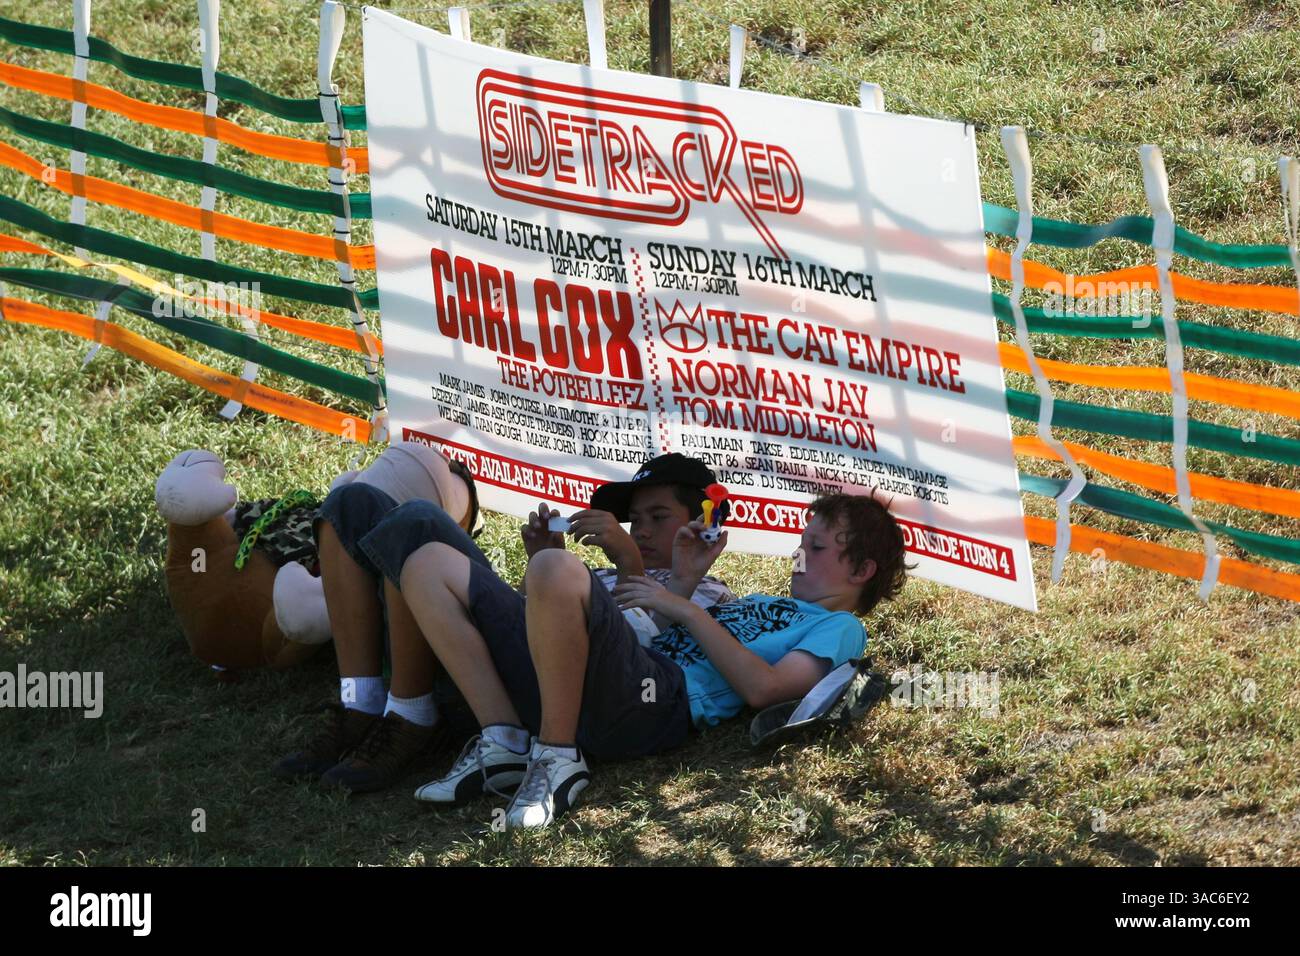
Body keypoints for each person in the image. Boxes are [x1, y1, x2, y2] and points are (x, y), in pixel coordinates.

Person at [400, 490, 907, 828]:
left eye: (815, 548)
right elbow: (646, 634)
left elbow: (765, 690)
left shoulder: (841, 628)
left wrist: (687, 609)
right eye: (800, 544)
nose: (798, 557)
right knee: (429, 562)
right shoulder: (757, 601)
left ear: (861, 570)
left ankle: (557, 757)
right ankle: (506, 741)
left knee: (556, 566)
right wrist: (683, 581)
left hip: (657, 699)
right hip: (610, 673)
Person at [274, 452, 735, 793]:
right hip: (494, 666)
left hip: (565, 692)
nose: (643, 530)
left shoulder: (707, 591)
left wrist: (630, 565)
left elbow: (639, 658)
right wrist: (543, 564)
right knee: (350, 502)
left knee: (417, 521)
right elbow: (536, 624)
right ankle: (361, 704)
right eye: (634, 520)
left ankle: (411, 717)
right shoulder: (598, 573)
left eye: (658, 517)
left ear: (704, 524)